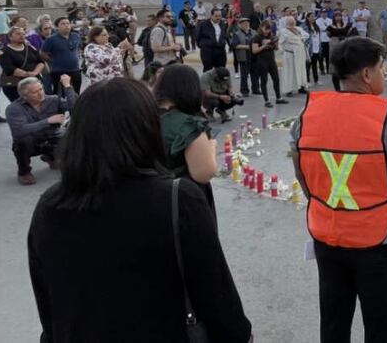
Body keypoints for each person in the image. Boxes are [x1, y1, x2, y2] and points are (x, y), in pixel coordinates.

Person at [27, 78, 251, 342]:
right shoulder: (177, 199)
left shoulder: (51, 204)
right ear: (146, 128)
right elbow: (217, 296)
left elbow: (48, 298)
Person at [290, 36, 387, 343]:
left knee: (334, 324)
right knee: (383, 329)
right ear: (366, 74)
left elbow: (301, 172)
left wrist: (323, 203)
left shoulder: (307, 115)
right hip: (381, 242)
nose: (385, 74)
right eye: (381, 68)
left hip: (327, 235)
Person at [154, 64, 217, 186]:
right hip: (177, 195)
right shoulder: (189, 126)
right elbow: (204, 174)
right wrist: (211, 148)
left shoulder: (143, 114)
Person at [6, 75, 76, 185]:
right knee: (22, 141)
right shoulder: (14, 108)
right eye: (35, 92)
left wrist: (67, 86)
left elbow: (75, 106)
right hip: (32, 140)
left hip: (52, 135)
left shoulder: (52, 100)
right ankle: (24, 172)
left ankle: (51, 156)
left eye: (41, 89)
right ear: (24, 96)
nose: (40, 93)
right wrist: (47, 121)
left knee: (71, 135)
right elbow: (19, 130)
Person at [0, 26, 46, 102]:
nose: (21, 36)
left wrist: (35, 73)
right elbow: (9, 69)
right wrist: (28, 74)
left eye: (23, 34)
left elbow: (41, 62)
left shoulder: (30, 48)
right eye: (18, 34)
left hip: (35, 81)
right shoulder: (4, 51)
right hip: (16, 84)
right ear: (10, 37)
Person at [41, 17, 83, 94]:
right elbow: (43, 53)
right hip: (59, 71)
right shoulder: (51, 39)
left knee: (76, 92)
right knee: (60, 94)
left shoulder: (76, 36)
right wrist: (52, 60)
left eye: (68, 23)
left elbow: (78, 48)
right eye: (63, 24)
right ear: (57, 27)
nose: (66, 25)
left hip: (75, 70)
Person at [251, 21, 285, 108]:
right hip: (262, 61)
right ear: (261, 27)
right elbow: (254, 51)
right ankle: (266, 100)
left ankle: (278, 98)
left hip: (271, 60)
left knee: (276, 79)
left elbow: (276, 49)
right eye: (266, 29)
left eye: (269, 29)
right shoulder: (257, 37)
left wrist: (276, 44)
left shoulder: (271, 36)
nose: (267, 31)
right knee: (264, 80)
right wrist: (263, 46)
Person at [279, 16, 309, 96]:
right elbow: (285, 40)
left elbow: (307, 35)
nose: (292, 24)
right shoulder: (283, 31)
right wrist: (300, 38)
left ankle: (301, 87)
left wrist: (301, 37)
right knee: (289, 72)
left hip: (299, 54)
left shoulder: (298, 29)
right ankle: (288, 90)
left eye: (293, 22)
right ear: (287, 23)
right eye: (290, 23)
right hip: (290, 55)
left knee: (301, 70)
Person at [326, 12, 354, 91]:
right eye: (336, 16)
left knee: (345, 67)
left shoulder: (346, 26)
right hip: (334, 45)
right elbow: (329, 34)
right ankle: (337, 88)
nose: (338, 18)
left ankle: (347, 87)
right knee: (335, 68)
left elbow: (349, 33)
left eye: (339, 16)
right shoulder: (330, 27)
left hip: (344, 45)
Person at [230, 17, 256, 96]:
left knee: (255, 74)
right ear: (240, 25)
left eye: (247, 23)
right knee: (244, 76)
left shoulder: (254, 32)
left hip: (254, 56)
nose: (246, 25)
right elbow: (234, 45)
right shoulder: (237, 34)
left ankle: (255, 89)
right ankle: (244, 91)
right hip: (243, 56)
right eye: (244, 23)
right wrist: (247, 47)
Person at [304, 12, 323, 85]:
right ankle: (307, 81)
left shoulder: (316, 26)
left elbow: (318, 37)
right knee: (308, 66)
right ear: (308, 18)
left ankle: (316, 80)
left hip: (316, 48)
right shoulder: (305, 26)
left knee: (315, 65)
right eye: (311, 16)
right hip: (309, 49)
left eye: (314, 17)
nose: (313, 18)